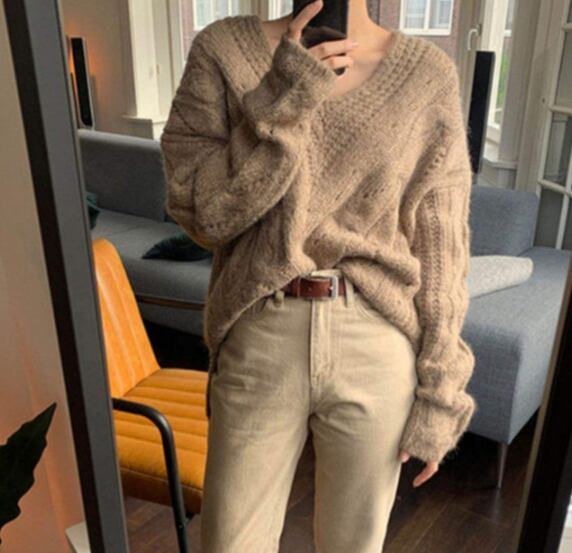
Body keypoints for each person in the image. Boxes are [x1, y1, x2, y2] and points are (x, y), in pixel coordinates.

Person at [160, 0, 478, 551]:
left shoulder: (427, 75)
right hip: (261, 330)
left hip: (377, 340)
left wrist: (442, 389)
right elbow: (205, 215)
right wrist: (286, 95)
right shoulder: (222, 51)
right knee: (230, 542)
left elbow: (442, 244)